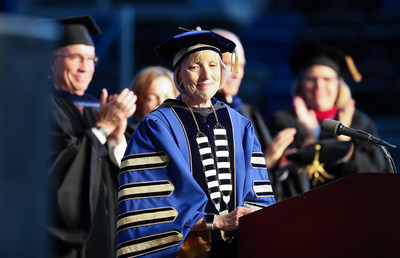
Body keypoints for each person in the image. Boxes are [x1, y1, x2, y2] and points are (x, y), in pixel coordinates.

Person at [117, 28, 276, 258]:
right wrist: (216, 221)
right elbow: (151, 207)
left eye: (213, 66)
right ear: (178, 75)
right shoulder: (157, 126)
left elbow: (259, 197)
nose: (206, 76)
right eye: (194, 67)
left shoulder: (240, 125)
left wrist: (251, 217)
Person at [47, 15, 137, 258]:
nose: (85, 67)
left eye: (90, 59)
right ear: (51, 62)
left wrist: (116, 138)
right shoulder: (39, 109)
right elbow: (60, 173)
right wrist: (102, 129)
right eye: (75, 57)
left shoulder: (96, 108)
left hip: (104, 235)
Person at [267, 42, 386, 200]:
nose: (319, 86)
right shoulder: (282, 123)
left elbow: (376, 180)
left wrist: (343, 140)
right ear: (300, 84)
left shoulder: (359, 122)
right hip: (297, 214)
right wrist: (310, 135)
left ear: (339, 85)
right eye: (311, 79)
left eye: (327, 79)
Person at [211, 28, 296, 201]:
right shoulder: (198, 116)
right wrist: (268, 160)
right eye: (228, 65)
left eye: (241, 66)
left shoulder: (247, 112)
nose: (236, 73)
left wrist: (282, 163)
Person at [126, 65, 178, 136]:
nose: (161, 103)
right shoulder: (127, 139)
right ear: (139, 103)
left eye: (167, 97)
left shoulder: (187, 135)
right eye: (152, 98)